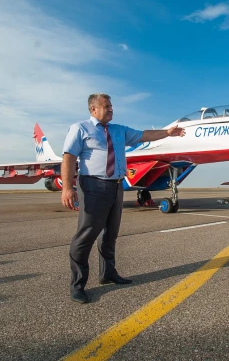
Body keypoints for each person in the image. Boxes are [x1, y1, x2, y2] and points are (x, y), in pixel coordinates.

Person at [61, 93, 186, 304]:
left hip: (116, 186)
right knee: (86, 235)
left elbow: (144, 135)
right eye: (106, 106)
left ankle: (108, 273)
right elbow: (69, 157)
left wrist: (167, 133)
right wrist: (67, 187)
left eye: (111, 106)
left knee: (110, 234)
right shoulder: (80, 129)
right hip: (92, 185)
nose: (111, 109)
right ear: (93, 109)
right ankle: (78, 284)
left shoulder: (120, 130)